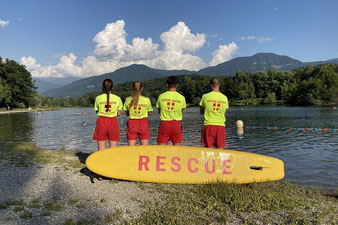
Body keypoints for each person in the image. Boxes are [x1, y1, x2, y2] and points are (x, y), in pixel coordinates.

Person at [93, 79, 123, 151]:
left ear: (102, 87)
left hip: (101, 121)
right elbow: (118, 113)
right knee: (113, 148)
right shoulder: (117, 98)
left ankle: (101, 161)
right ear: (112, 87)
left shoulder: (98, 98)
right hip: (112, 121)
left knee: (101, 148)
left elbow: (97, 112)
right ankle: (112, 161)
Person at [199, 78, 229, 149]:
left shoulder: (205, 96)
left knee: (208, 151)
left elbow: (201, 112)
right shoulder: (224, 98)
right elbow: (223, 113)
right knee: (220, 150)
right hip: (220, 126)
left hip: (208, 126)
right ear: (219, 85)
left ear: (211, 85)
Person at [156, 76, 186, 145]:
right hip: (176, 124)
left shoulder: (161, 96)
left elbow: (159, 111)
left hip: (164, 124)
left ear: (167, 85)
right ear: (177, 85)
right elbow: (181, 111)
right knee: (177, 148)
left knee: (161, 148)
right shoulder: (182, 98)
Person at [123, 81, 153, 146]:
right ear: (142, 88)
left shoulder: (128, 99)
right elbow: (150, 112)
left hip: (132, 123)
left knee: (131, 148)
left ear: (132, 88)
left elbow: (127, 113)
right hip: (143, 122)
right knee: (144, 148)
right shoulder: (146, 100)